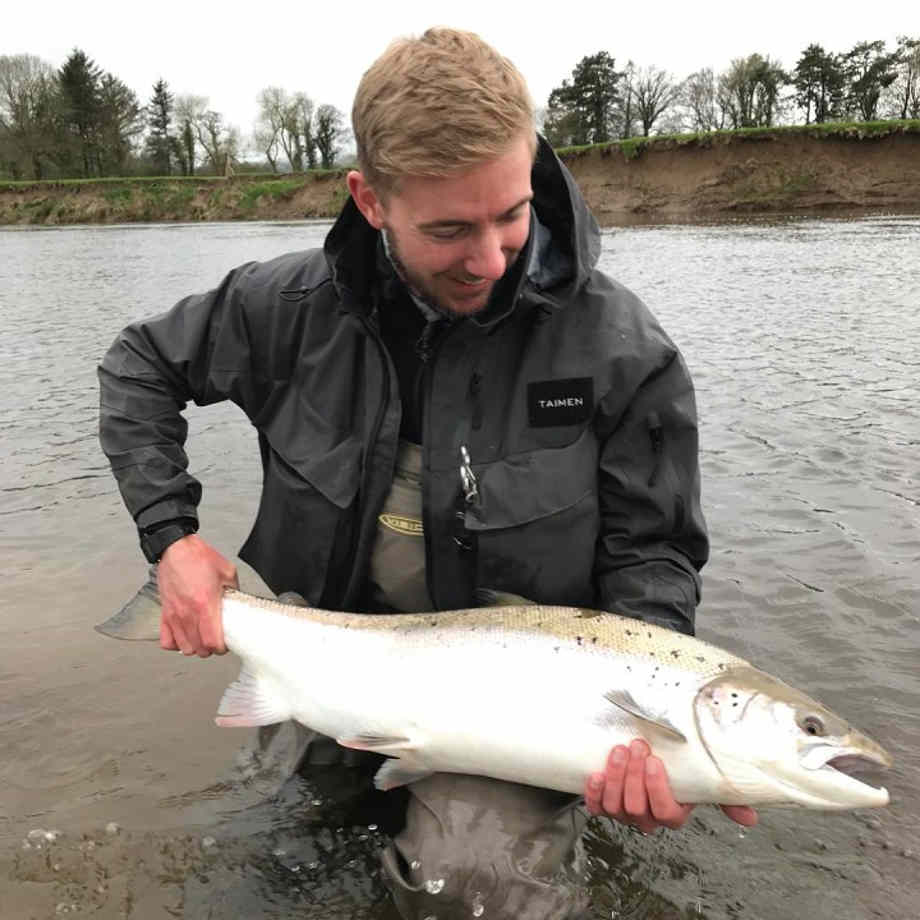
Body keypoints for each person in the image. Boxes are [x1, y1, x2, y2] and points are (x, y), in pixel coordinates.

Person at [98, 27, 756, 919]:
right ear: (370, 201)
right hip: (329, 665)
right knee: (276, 857)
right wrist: (171, 542)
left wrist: (648, 737)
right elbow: (139, 365)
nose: (491, 260)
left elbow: (655, 555)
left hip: (516, 703)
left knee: (472, 891)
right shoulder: (282, 310)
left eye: (512, 214)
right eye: (449, 229)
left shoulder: (620, 350)